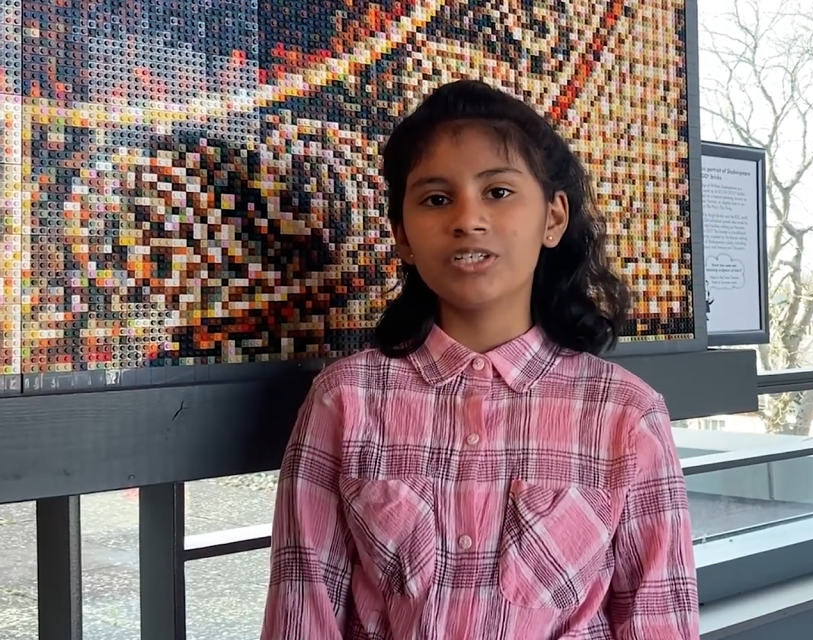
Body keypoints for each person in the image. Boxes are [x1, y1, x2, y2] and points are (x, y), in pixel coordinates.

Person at [259, 79, 699, 640]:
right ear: (403, 237)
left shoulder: (626, 415)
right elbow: (304, 611)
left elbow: (658, 621)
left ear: (553, 218)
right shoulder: (344, 401)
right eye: (436, 199)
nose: (467, 219)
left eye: (498, 192)